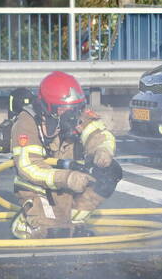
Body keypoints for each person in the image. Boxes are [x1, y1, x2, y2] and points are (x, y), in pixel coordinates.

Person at [10, 71, 121, 239]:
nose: (72, 115)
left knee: (111, 171)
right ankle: (25, 223)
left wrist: (102, 151)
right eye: (65, 109)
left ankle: (74, 221)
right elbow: (29, 167)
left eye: (76, 108)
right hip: (40, 188)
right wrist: (66, 178)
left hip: (72, 182)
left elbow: (99, 134)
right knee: (53, 235)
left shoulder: (80, 114)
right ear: (48, 108)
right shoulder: (27, 122)